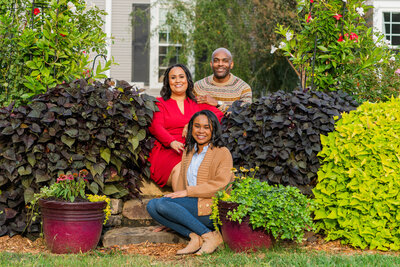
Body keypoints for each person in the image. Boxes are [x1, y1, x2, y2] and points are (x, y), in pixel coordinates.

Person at [147, 110, 233, 255]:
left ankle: (211, 236)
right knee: (152, 206)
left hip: (211, 208)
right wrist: (174, 214)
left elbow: (221, 184)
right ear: (191, 128)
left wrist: (188, 193)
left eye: (206, 127)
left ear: (214, 130)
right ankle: (195, 237)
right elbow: (182, 185)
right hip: (193, 206)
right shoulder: (188, 151)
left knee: (161, 204)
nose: (201, 131)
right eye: (197, 126)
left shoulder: (222, 152)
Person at [148, 64, 224, 187]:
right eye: (173, 77)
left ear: (187, 80)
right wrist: (171, 142)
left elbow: (218, 115)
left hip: (194, 148)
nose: (177, 81)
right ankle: (182, 203)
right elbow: (156, 127)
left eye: (181, 77)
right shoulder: (160, 103)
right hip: (168, 150)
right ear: (168, 82)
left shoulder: (197, 102)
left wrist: (192, 123)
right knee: (182, 167)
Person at [194, 48, 252, 112]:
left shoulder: (243, 88)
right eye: (216, 60)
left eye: (225, 61)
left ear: (231, 64)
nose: (220, 64)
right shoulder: (198, 87)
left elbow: (244, 116)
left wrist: (218, 103)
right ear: (211, 64)